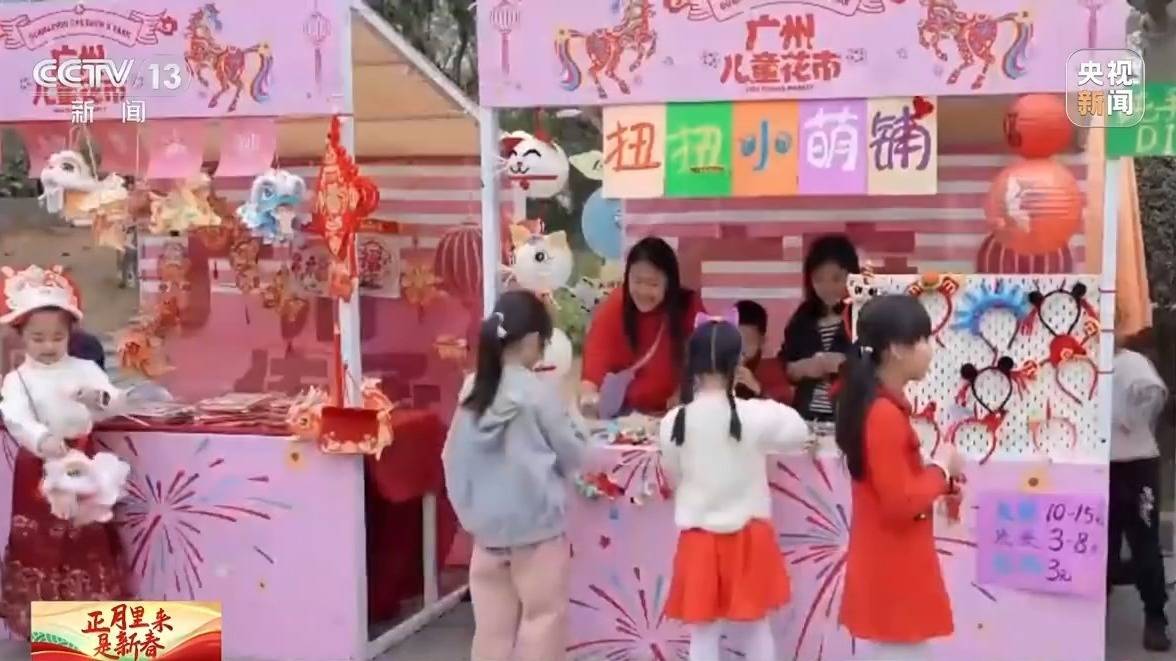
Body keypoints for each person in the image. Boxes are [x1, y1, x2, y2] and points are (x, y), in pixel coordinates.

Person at [442, 289, 586, 661]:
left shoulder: (472, 390)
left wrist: (470, 513)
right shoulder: (540, 394)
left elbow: (450, 457)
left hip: (486, 533)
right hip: (537, 532)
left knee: (492, 632)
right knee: (542, 622)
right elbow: (575, 454)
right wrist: (575, 414)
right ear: (533, 340)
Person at [659, 315, 812, 661]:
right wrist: (759, 394)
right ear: (738, 363)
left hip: (699, 538)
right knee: (756, 627)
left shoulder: (673, 422)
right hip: (749, 536)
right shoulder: (755, 415)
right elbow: (798, 431)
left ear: (692, 362)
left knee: (703, 632)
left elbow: (674, 475)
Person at [0, 265, 129, 638]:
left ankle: (87, 621)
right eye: (38, 338)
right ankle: (44, 624)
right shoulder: (17, 379)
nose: (48, 346)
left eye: (57, 337)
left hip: (82, 458)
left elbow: (113, 401)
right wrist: (41, 439)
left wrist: (98, 398)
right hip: (38, 468)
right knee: (41, 539)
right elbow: (15, 416)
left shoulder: (85, 368)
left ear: (70, 335)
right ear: (22, 336)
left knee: (85, 534)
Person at [835, 295, 964, 659]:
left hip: (889, 565)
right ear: (896, 349)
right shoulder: (884, 415)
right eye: (923, 339)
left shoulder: (879, 407)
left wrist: (940, 477)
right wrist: (941, 468)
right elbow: (900, 502)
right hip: (893, 572)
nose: (929, 349)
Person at [580, 236, 705, 418]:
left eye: (653, 284)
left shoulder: (689, 307)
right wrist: (588, 396)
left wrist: (683, 394)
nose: (643, 291)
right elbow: (596, 359)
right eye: (637, 281)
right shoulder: (616, 305)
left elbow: (706, 361)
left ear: (669, 283)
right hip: (626, 417)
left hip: (675, 415)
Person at [1109, 329, 1171, 652]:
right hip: (1098, 468)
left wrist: (1132, 417)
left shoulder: (1132, 363)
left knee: (1144, 540)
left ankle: (1155, 616)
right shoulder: (1077, 365)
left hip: (1137, 465)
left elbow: (1155, 393)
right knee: (1100, 543)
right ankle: (1097, 602)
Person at [779, 234, 860, 421]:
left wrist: (844, 364)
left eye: (836, 279)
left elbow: (877, 365)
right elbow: (787, 365)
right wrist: (803, 368)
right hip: (806, 416)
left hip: (848, 417)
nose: (827, 287)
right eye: (818, 279)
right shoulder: (803, 318)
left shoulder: (863, 314)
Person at [733, 300, 792, 402]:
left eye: (748, 342)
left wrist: (758, 389)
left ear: (762, 341)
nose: (741, 349)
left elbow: (784, 406)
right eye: (735, 341)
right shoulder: (719, 366)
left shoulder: (772, 371)